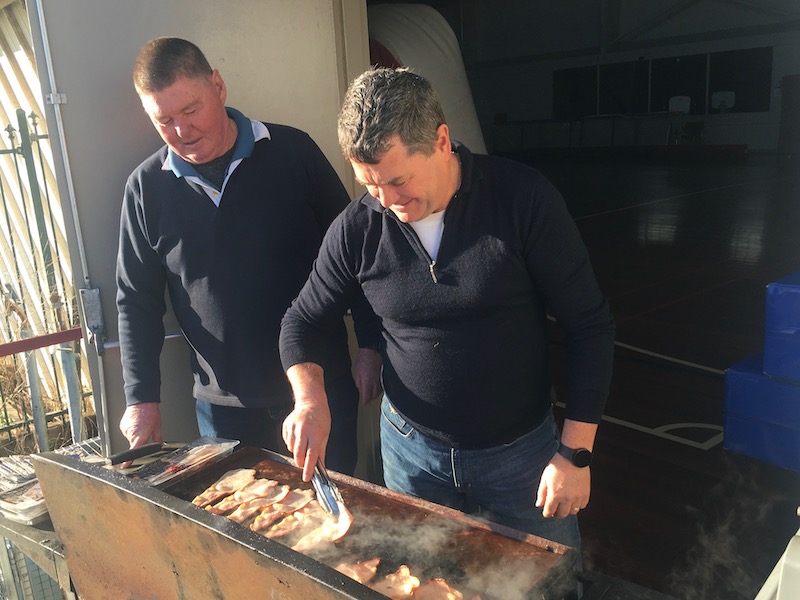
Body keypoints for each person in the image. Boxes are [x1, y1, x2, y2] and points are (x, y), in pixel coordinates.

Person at [279, 67, 615, 551]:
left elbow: (590, 326)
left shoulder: (522, 200)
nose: (386, 201)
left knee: (548, 584)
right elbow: (302, 321)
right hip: (411, 454)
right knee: (419, 576)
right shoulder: (358, 226)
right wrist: (309, 398)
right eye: (369, 185)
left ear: (441, 141)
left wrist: (576, 455)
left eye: (397, 181)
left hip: (521, 456)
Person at [116, 37, 381, 474]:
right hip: (224, 411)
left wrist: (370, 343)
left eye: (191, 110)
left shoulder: (293, 152)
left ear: (218, 87)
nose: (182, 131)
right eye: (164, 120)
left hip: (320, 388)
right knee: (244, 532)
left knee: (336, 524)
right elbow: (135, 300)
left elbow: (356, 254)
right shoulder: (145, 189)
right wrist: (141, 399)